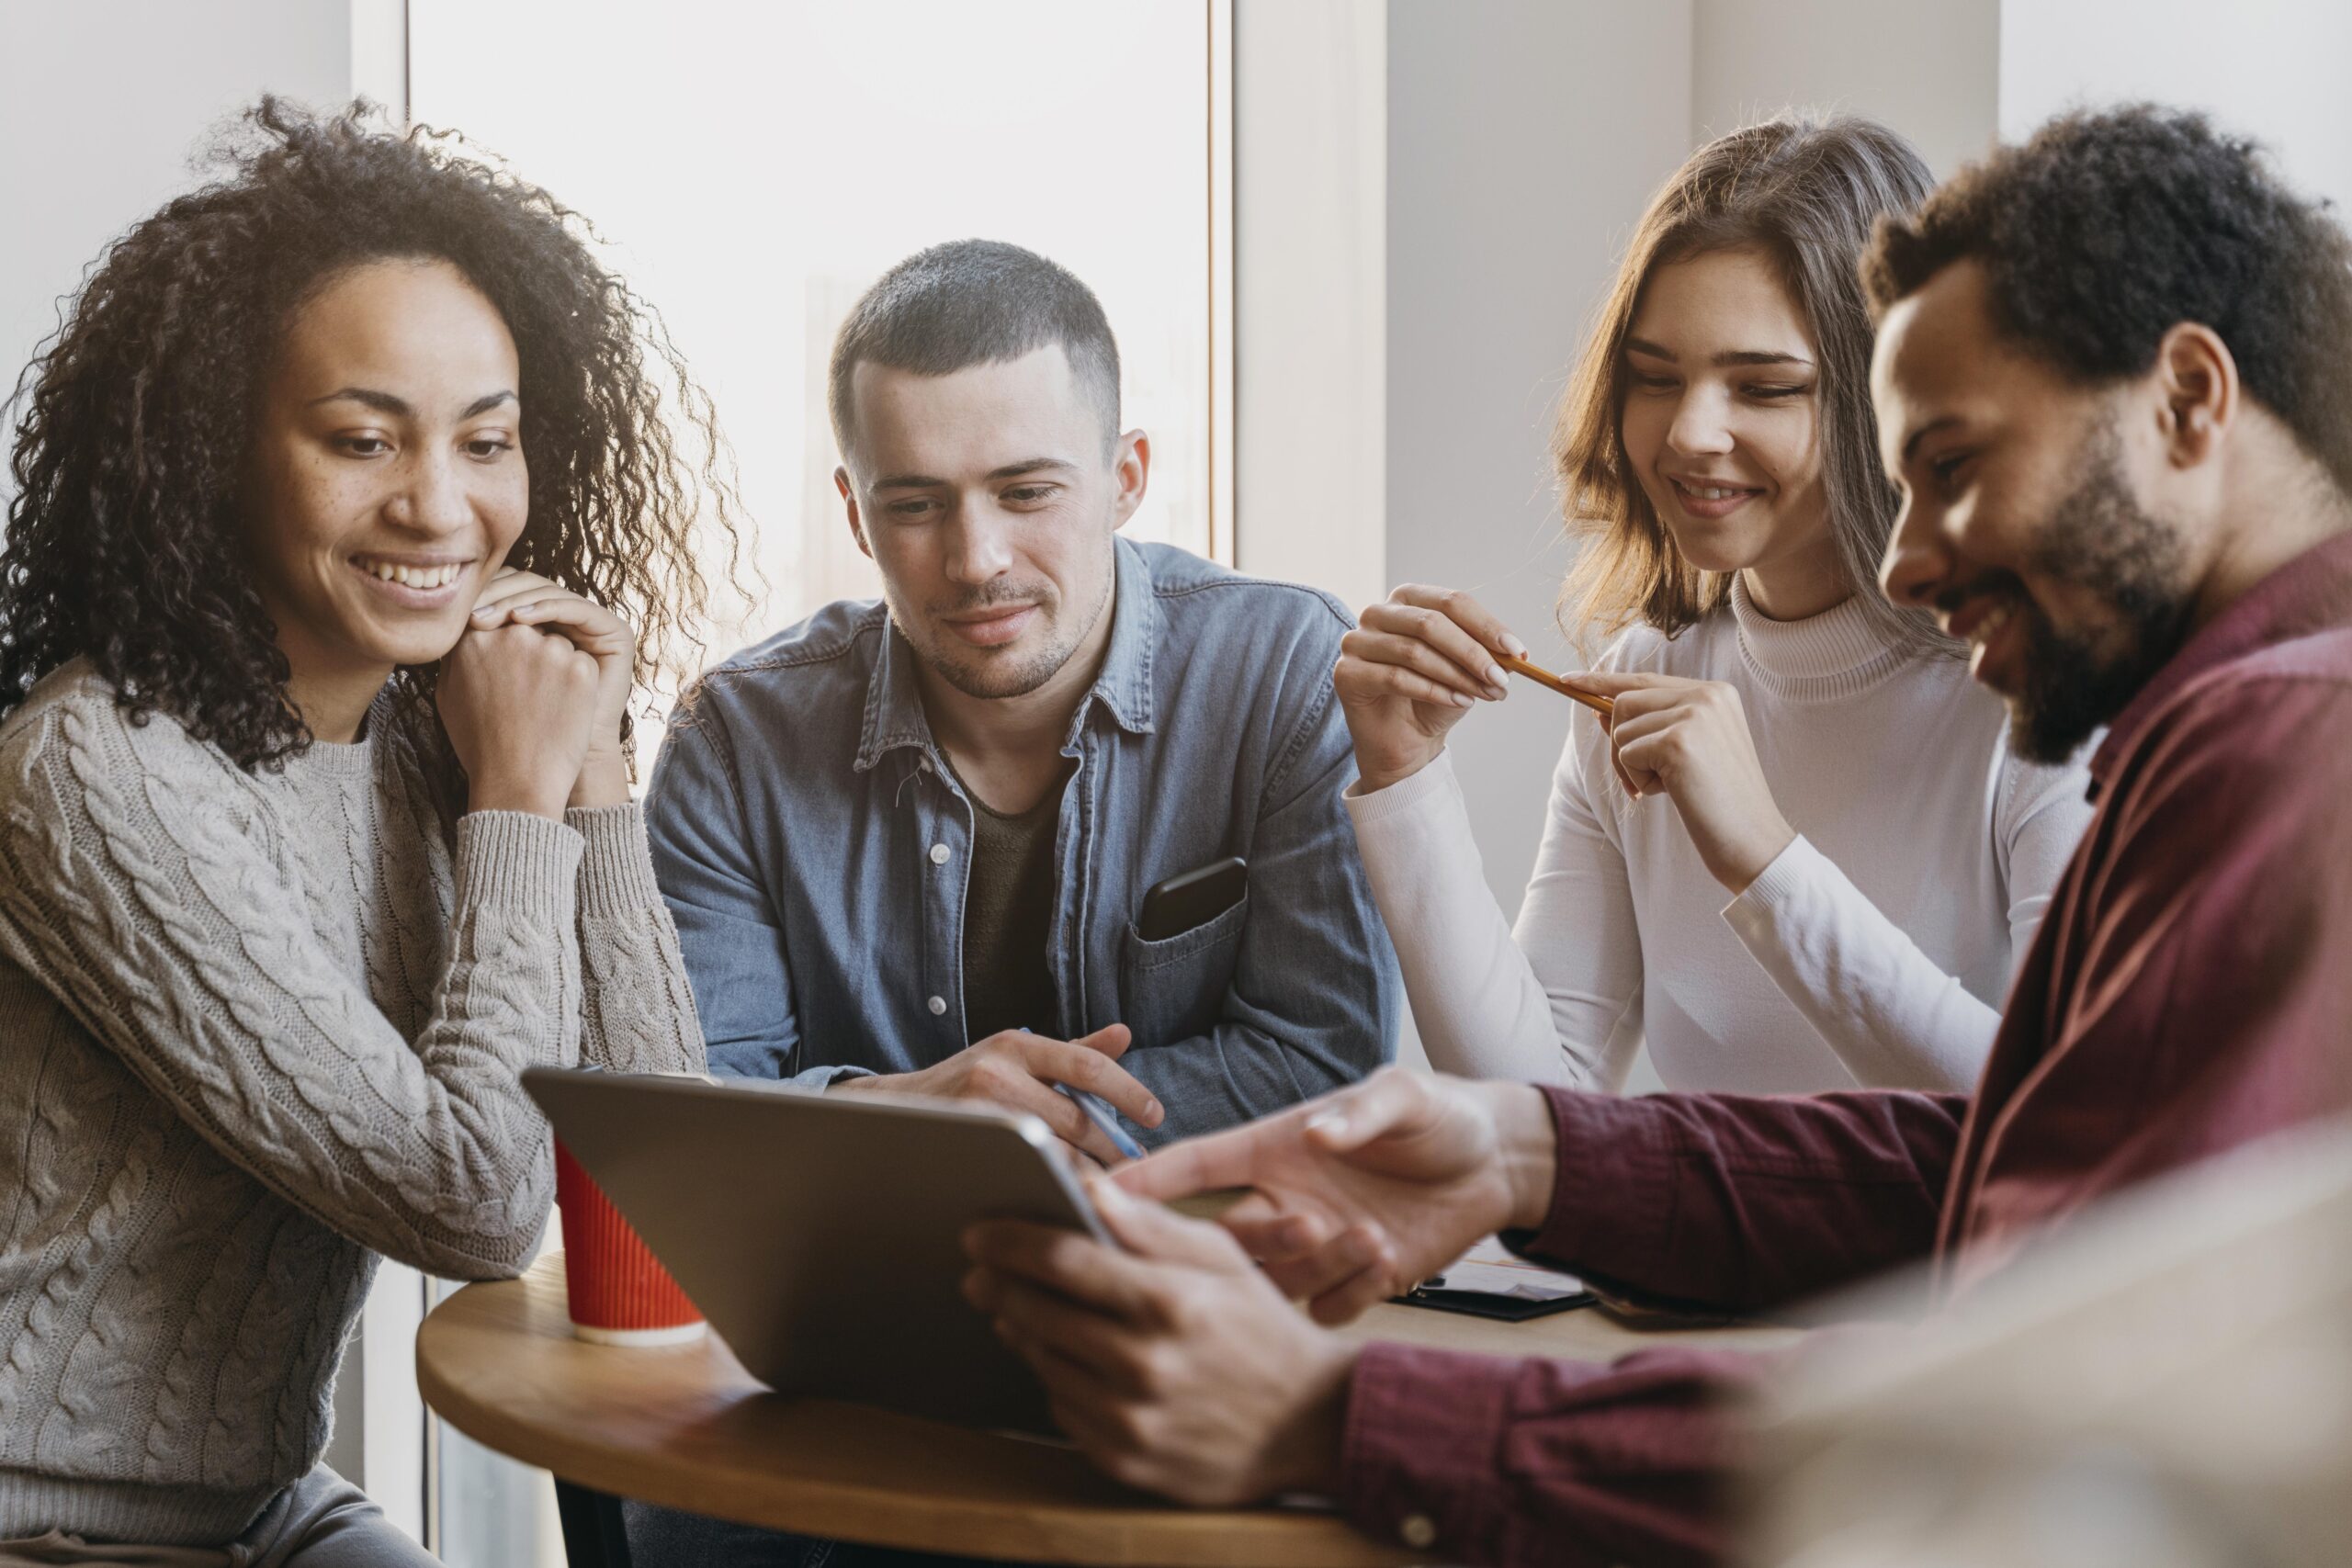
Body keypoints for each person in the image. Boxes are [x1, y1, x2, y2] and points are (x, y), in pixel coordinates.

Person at [960, 107, 2352, 1567]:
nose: (1914, 553)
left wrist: (1347, 1412)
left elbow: (2052, 1381)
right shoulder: (2212, 716)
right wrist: (1533, 1150)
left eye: (1950, 463)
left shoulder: (2272, 736)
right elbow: (2008, 1156)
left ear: (2192, 399)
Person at [0, 101, 730, 1563]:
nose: (439, 504)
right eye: (361, 437)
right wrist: (516, 801)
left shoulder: (430, 730)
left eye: (487, 441)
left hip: (260, 1504)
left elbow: (666, 1160)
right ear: (221, 447)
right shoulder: (94, 767)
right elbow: (468, 1203)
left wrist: (589, 766)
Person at [1336, 117, 2093, 1095]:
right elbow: (1536, 1106)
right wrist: (1406, 781)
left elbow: (2055, 1123)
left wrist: (1765, 858)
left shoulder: (2044, 698)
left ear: (1891, 402)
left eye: (1763, 388)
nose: (1689, 432)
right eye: (1654, 378)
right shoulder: (1638, 680)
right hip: (1704, 1253)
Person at [643, 240, 1400, 1158]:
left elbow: (1324, 1067)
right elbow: (697, 1104)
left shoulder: (1284, 671)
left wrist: (987, 1121)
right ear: (855, 513)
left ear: (1127, 478)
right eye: (916, 506)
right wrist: (920, 1109)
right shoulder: (735, 740)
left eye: (1027, 491)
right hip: (844, 1281)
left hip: (1203, 1272)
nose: (976, 561)